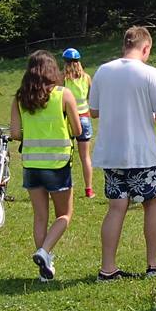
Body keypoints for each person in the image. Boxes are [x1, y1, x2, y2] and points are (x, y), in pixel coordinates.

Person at [89, 27, 156, 281]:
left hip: (112, 152)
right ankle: (153, 264)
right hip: (141, 152)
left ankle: (107, 268)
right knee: (153, 203)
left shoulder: (103, 71)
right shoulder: (150, 73)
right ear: (145, 48)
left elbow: (93, 111)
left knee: (116, 208)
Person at [10, 50, 82, 281]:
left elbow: (14, 133)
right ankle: (44, 251)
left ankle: (44, 269)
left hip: (31, 164)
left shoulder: (20, 97)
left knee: (40, 217)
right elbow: (78, 130)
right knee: (64, 215)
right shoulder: (63, 94)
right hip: (57, 164)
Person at [62, 48, 95, 198]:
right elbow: (91, 97)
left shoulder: (63, 79)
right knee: (85, 157)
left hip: (68, 120)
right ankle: (89, 189)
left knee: (66, 156)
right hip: (84, 118)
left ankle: (66, 186)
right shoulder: (86, 78)